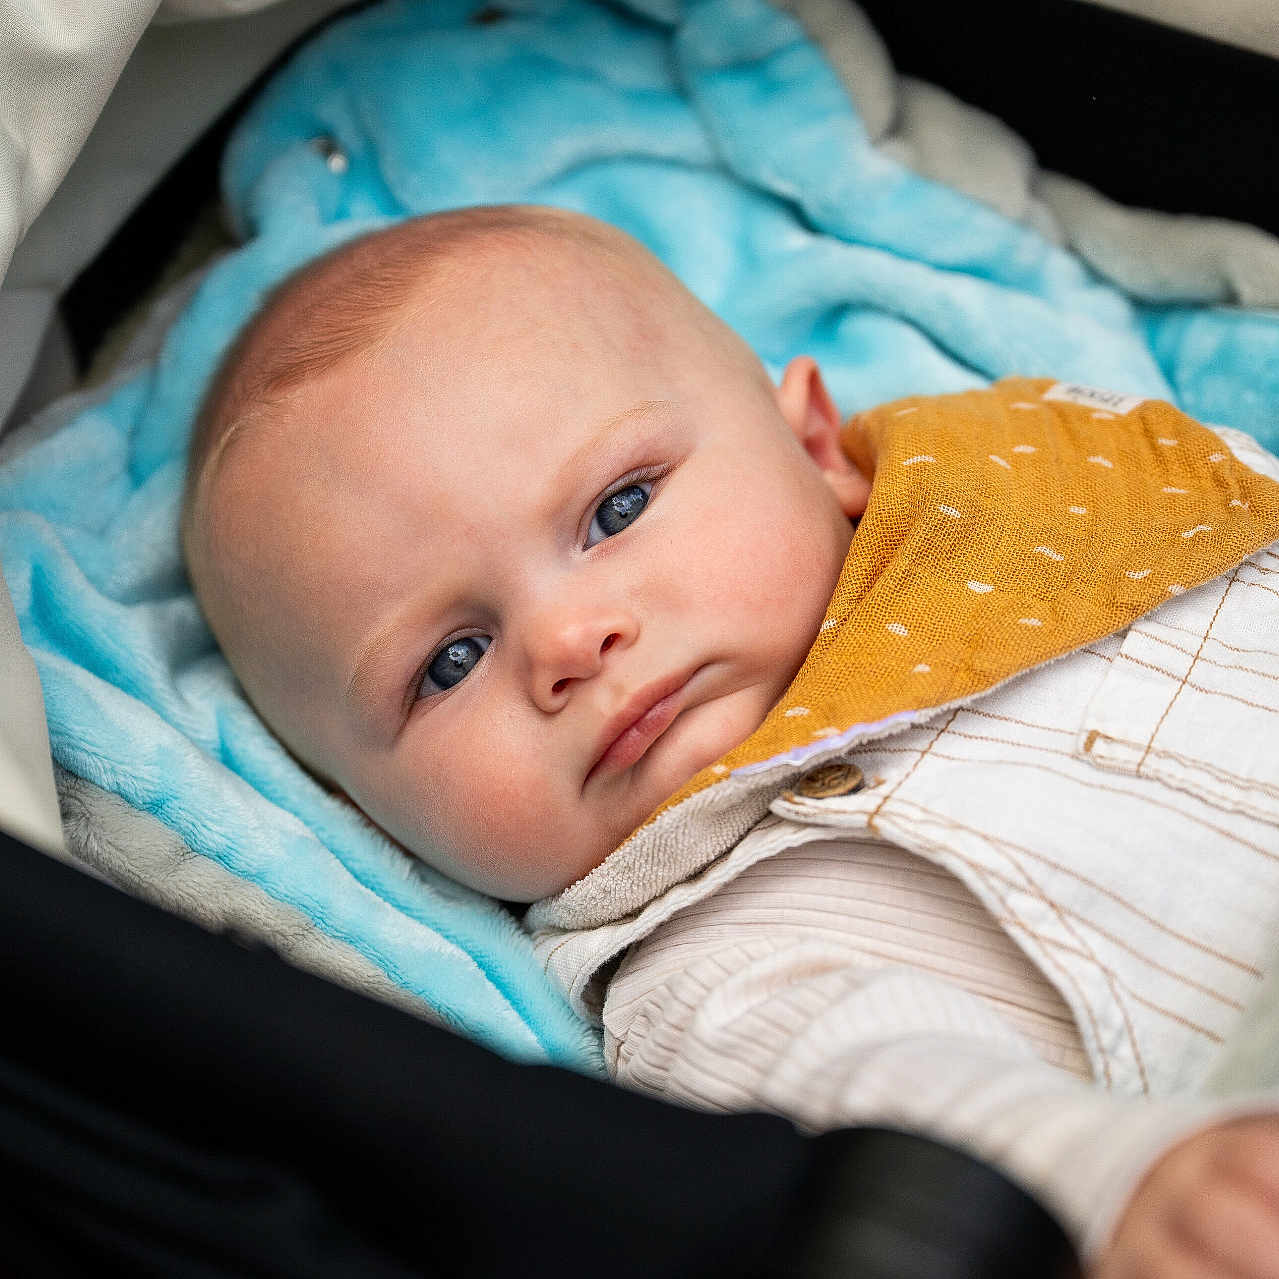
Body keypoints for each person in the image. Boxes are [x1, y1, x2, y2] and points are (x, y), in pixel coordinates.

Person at [182, 204, 1279, 1278]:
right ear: (365, 813)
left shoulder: (1049, 490)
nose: (569, 640)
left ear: (812, 442)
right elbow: (872, 1089)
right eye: (449, 663)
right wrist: (1108, 1178)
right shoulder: (706, 968)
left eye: (616, 509)